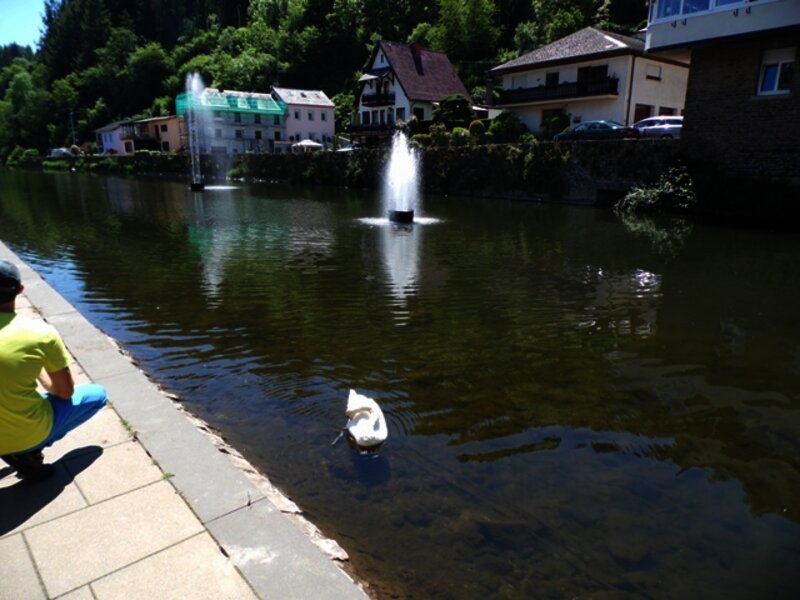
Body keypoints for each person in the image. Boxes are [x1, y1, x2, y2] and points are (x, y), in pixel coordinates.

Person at [0, 259, 107, 482]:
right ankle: (28, 451)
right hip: (23, 434)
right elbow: (65, 393)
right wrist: (40, 373)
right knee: (97, 395)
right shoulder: (39, 333)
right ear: (20, 290)